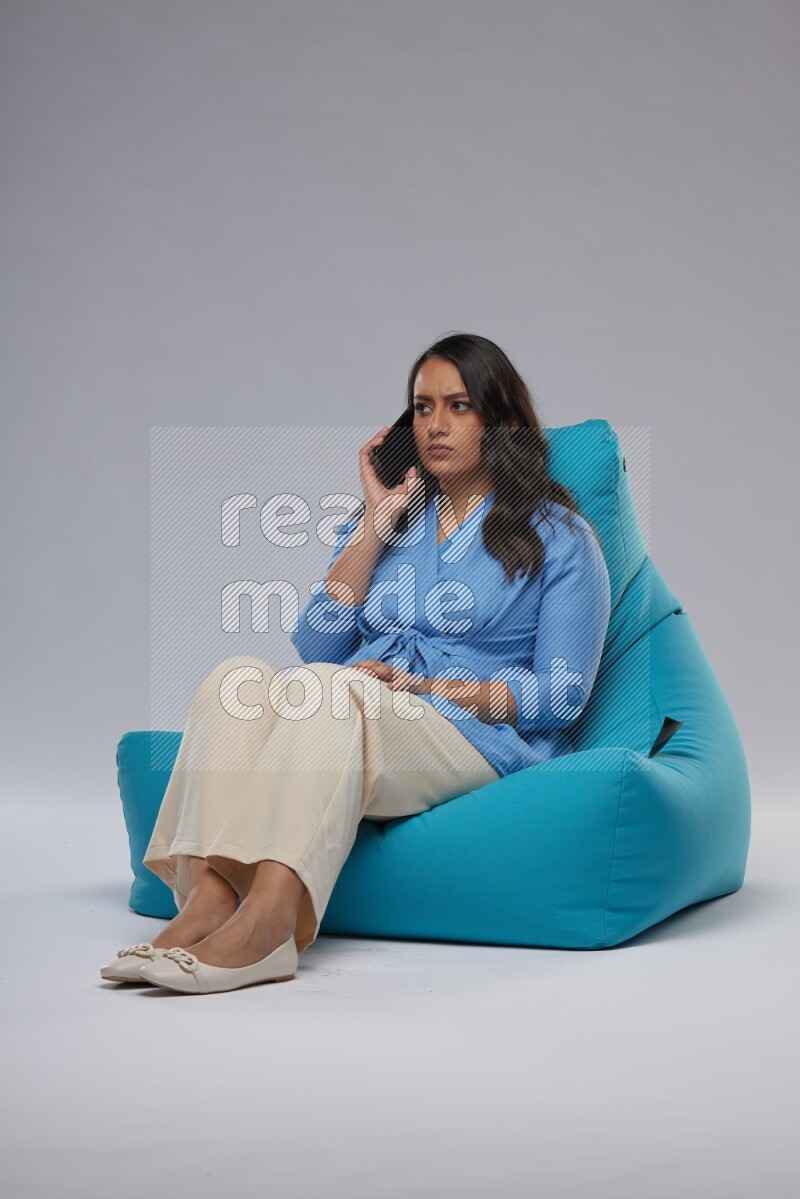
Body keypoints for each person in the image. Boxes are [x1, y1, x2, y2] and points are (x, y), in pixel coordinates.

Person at [100, 332, 611, 994]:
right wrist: (375, 519)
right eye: (422, 407)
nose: (435, 425)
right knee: (237, 681)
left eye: (458, 406)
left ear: (502, 421)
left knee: (328, 692)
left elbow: (562, 693)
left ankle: (267, 927)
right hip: (357, 707)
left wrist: (425, 685)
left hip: (467, 732)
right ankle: (204, 903)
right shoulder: (394, 519)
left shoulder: (562, 537)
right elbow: (317, 644)